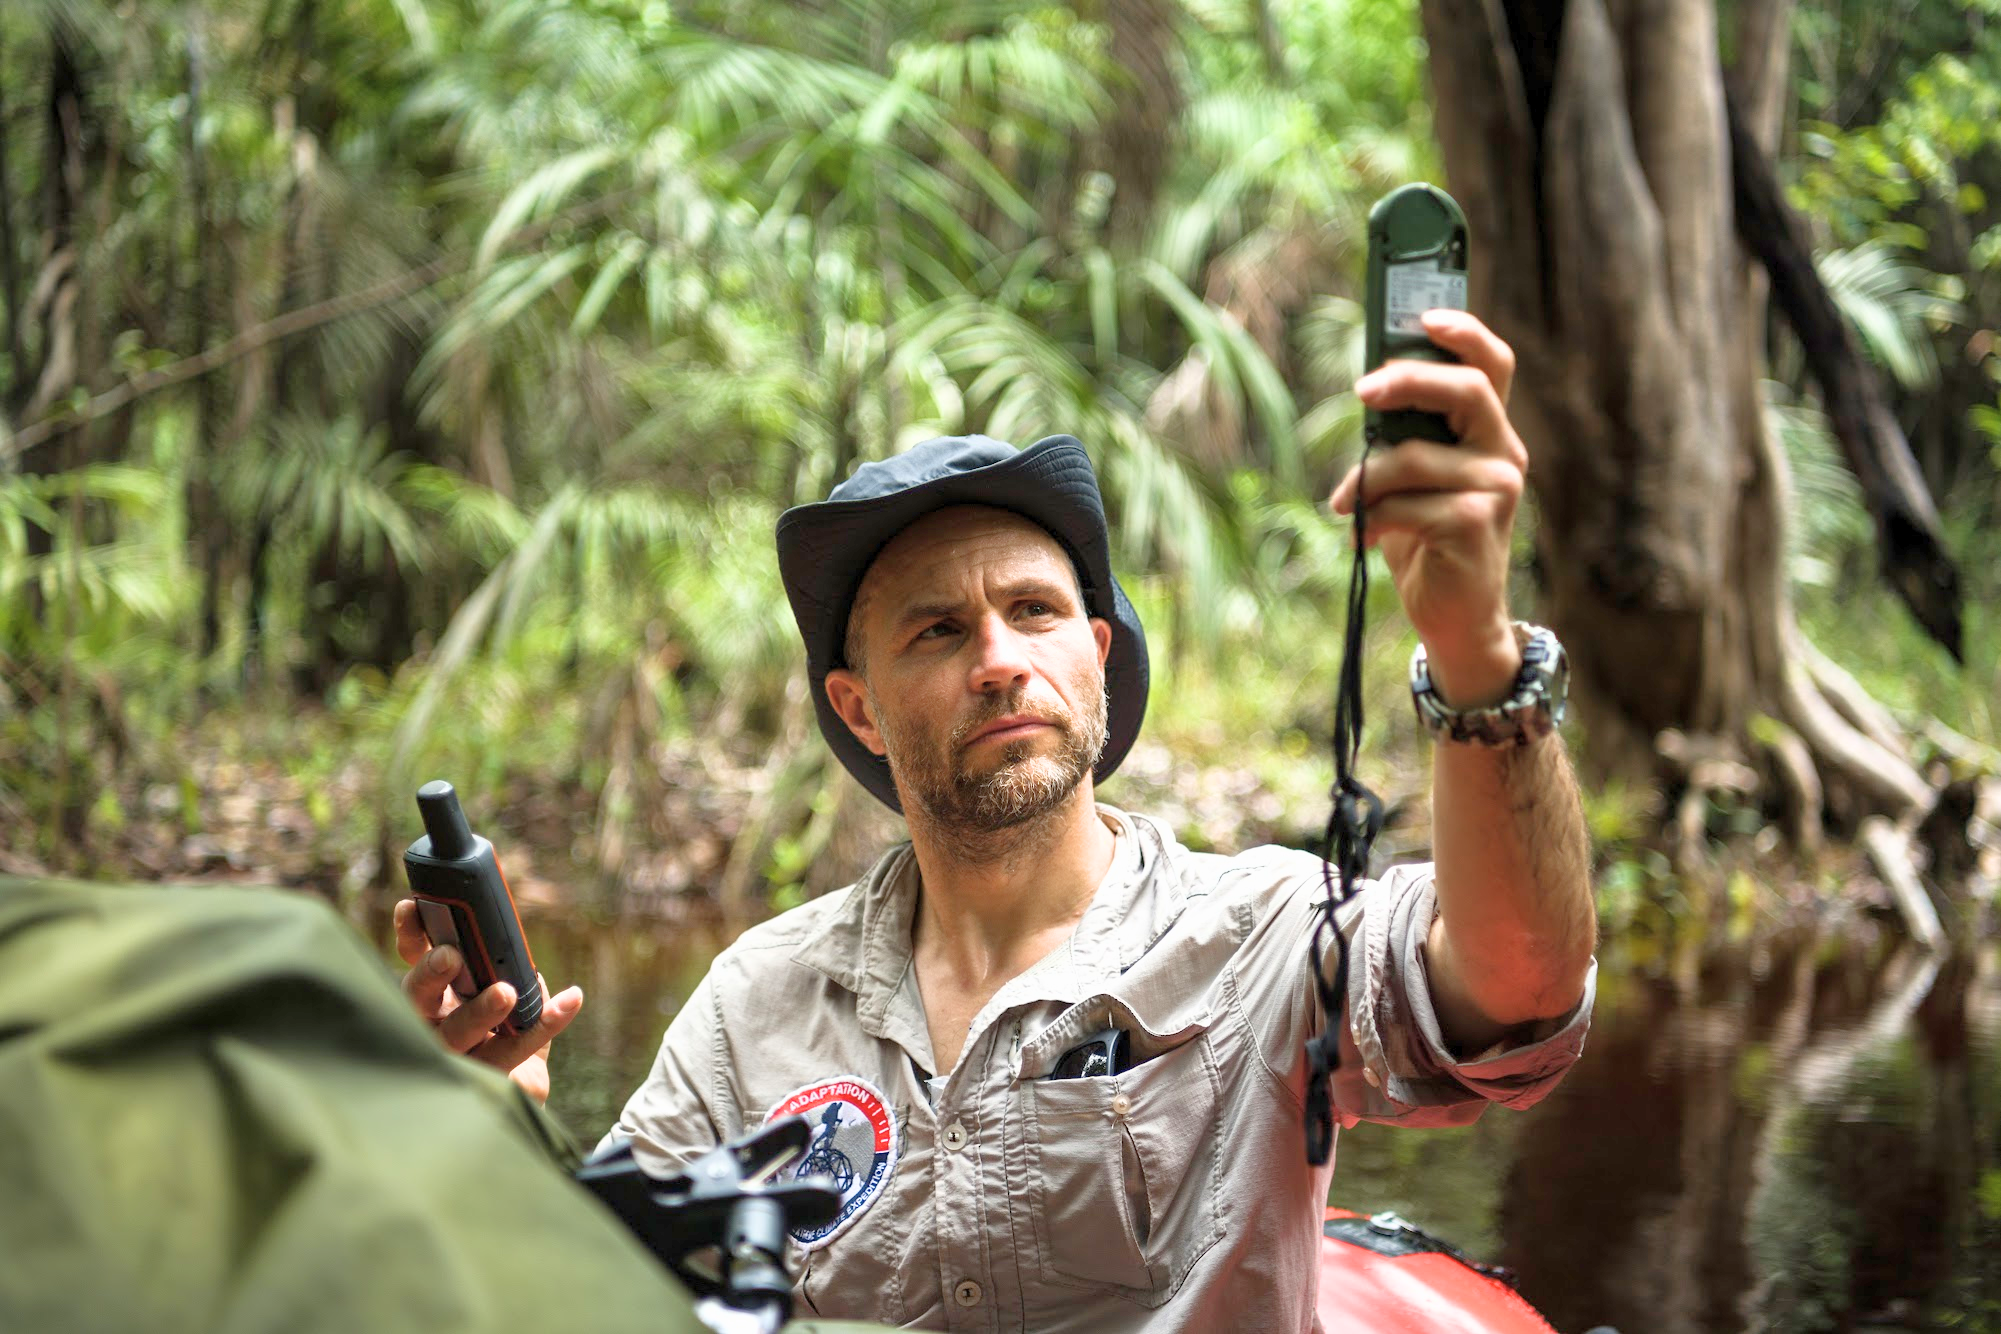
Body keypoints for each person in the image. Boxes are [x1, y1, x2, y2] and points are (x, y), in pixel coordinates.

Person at [394, 310, 1596, 1331]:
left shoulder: (1263, 932)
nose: (1001, 659)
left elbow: (1519, 998)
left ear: (1098, 655)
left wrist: (1477, 653)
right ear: (858, 709)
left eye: (1034, 609)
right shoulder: (756, 1006)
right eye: (937, 629)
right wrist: (495, 1130)